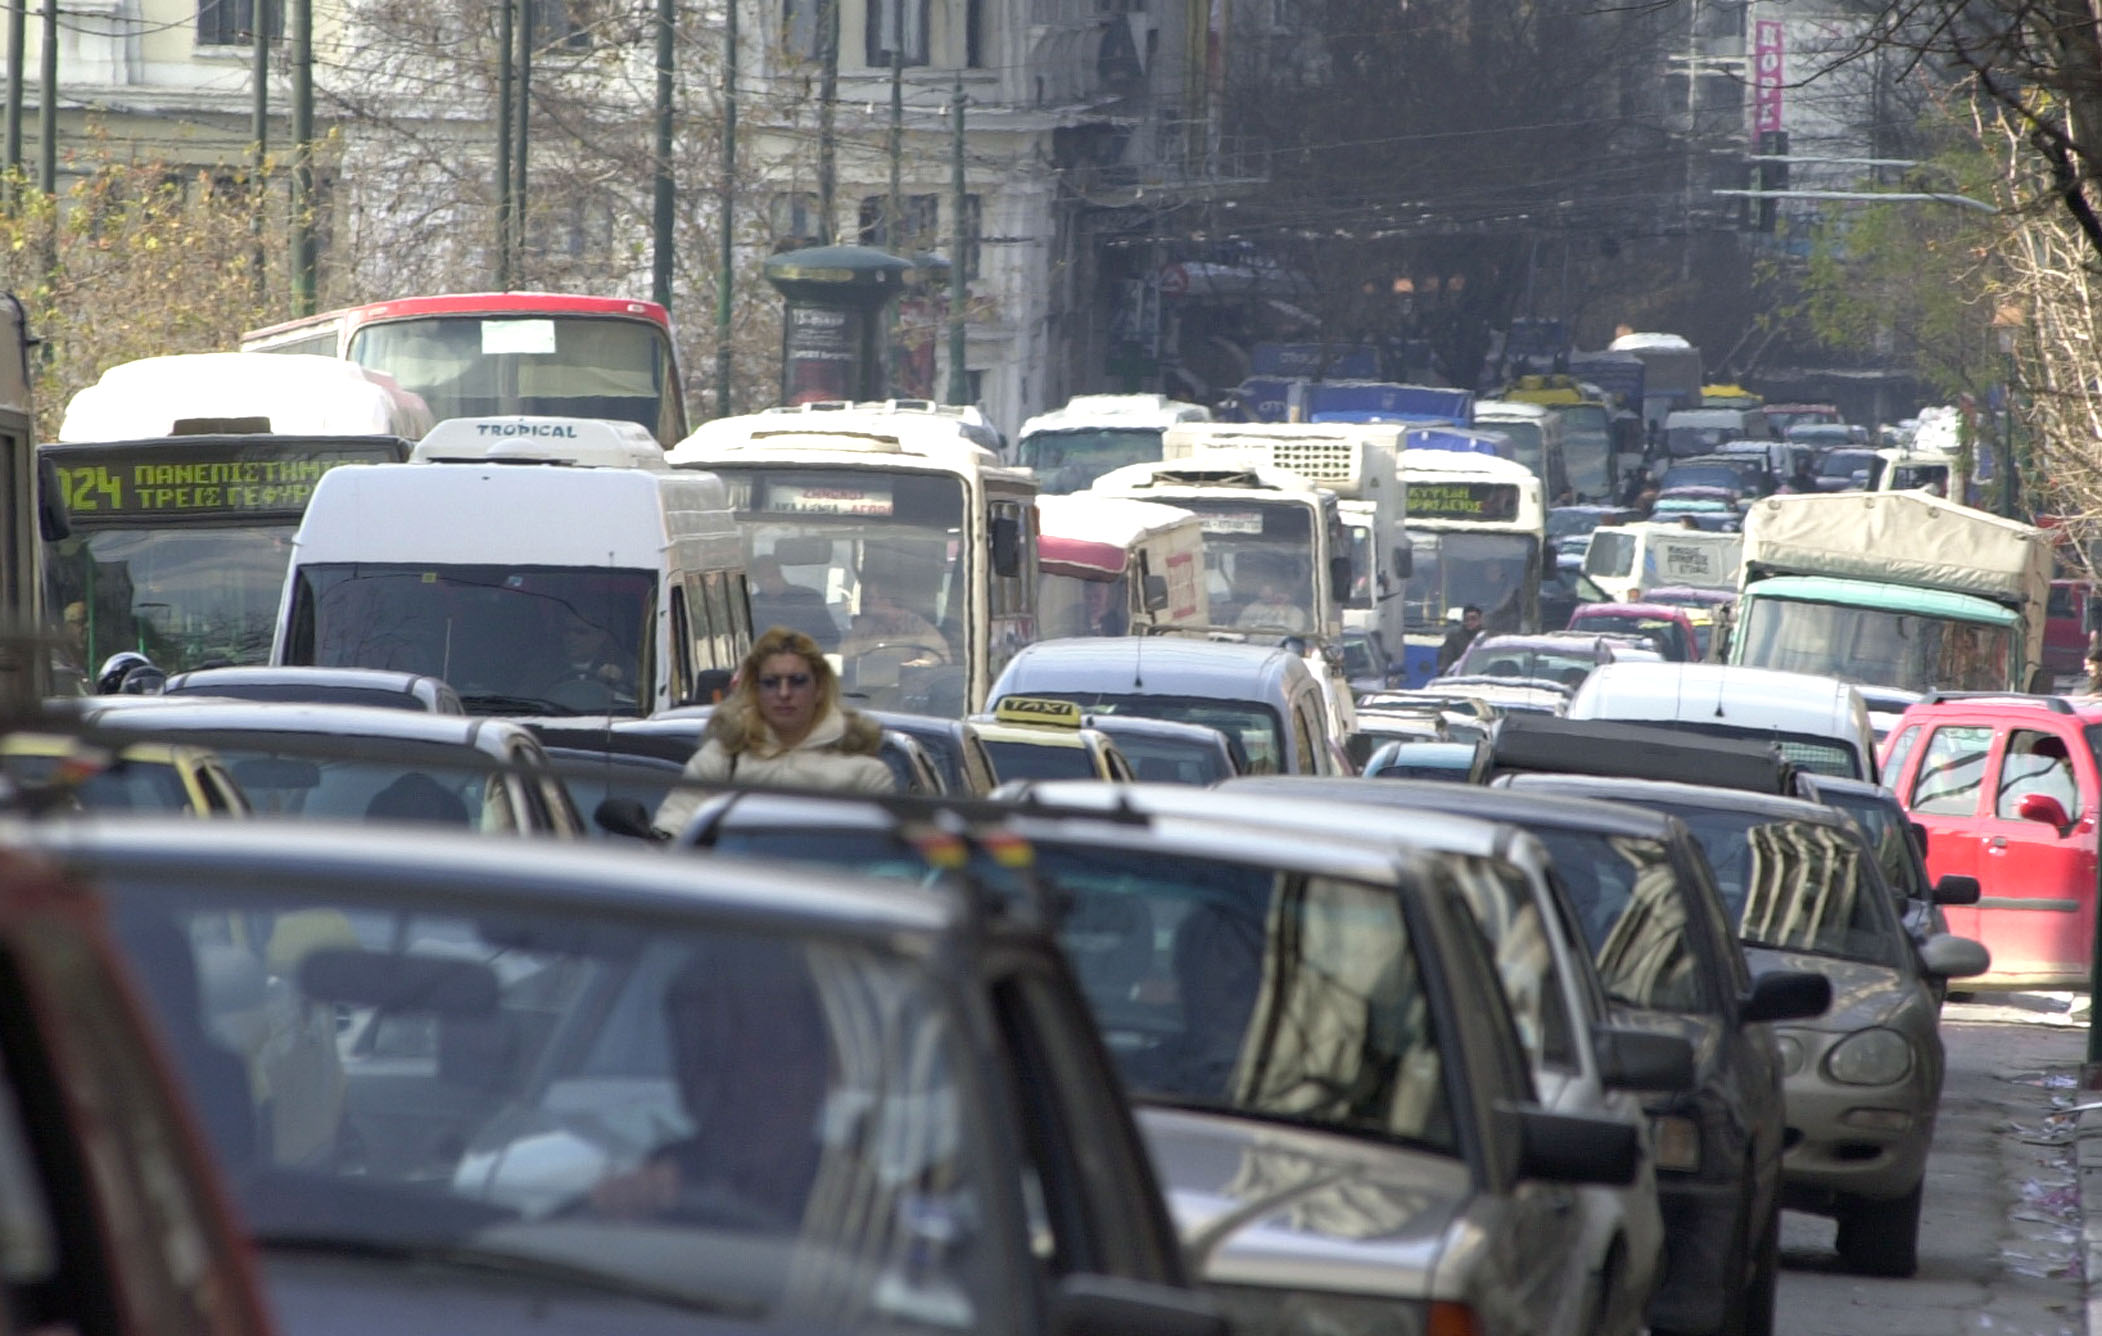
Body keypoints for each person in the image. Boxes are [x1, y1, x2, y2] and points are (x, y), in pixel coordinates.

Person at [588, 938, 832, 1231]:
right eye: (708, 1054)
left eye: (770, 1050)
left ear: (821, 1068)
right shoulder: (641, 1204)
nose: (739, 1082)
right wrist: (608, 1212)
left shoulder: (862, 1219)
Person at [653, 626, 894, 836]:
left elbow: (880, 858)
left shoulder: (864, 772)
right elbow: (673, 829)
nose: (784, 693)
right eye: (770, 682)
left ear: (819, 688)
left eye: (797, 681)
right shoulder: (722, 759)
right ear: (755, 690)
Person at [839, 585, 949, 662]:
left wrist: (908, 669)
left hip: (906, 689)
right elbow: (844, 659)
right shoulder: (863, 627)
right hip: (864, 691)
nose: (867, 602)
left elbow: (939, 657)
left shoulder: (917, 626)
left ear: (887, 600)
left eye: (871, 598)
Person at [748, 555, 838, 650]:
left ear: (779, 573)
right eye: (761, 578)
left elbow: (831, 640)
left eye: (772, 575)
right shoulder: (750, 606)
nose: (768, 581)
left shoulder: (809, 598)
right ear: (755, 580)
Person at [1234, 581, 1310, 635]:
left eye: (1273, 594)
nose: (1269, 596)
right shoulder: (1252, 608)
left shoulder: (1295, 612)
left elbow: (1294, 633)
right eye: (1264, 593)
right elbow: (1240, 629)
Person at [1436, 605, 1483, 674]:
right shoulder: (1454, 637)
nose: (1470, 622)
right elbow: (1446, 658)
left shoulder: (1486, 635)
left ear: (1480, 620)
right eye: (1466, 619)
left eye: (1473, 619)